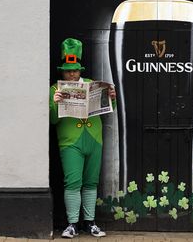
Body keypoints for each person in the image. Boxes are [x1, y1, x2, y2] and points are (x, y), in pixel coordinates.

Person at [49, 38, 116, 238]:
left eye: (75, 70)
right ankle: (72, 224)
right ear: (62, 71)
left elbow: (109, 111)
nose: (72, 74)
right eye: (68, 70)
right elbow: (52, 120)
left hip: (94, 139)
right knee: (73, 182)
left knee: (91, 182)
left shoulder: (90, 84)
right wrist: (54, 103)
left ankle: (90, 223)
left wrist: (112, 97)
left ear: (80, 70)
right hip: (70, 142)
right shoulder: (56, 89)